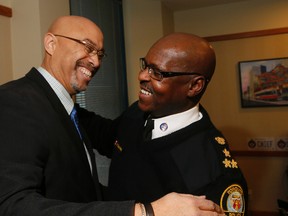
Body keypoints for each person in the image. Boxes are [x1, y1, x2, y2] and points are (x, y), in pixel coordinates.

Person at [0, 15, 225, 216]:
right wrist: (144, 211)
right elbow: (12, 205)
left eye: (99, 53)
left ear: (194, 85)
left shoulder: (211, 158)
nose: (96, 62)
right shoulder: (16, 102)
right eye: (87, 47)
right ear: (51, 43)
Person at [106, 33, 248, 215]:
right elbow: (105, 135)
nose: (141, 76)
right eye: (146, 66)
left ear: (194, 86)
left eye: (157, 73)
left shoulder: (213, 170)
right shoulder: (137, 111)